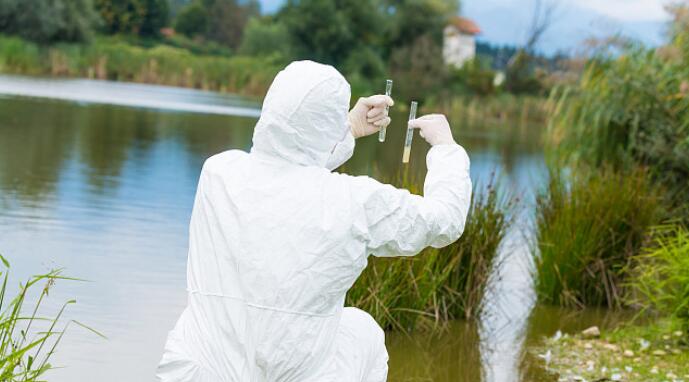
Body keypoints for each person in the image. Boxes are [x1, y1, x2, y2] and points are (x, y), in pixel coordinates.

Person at [156, 60, 472, 382]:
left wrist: (347, 129)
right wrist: (447, 149)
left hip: (196, 372)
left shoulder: (219, 173)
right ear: (326, 126)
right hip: (290, 375)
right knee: (363, 332)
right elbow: (444, 220)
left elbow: (286, 169)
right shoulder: (354, 202)